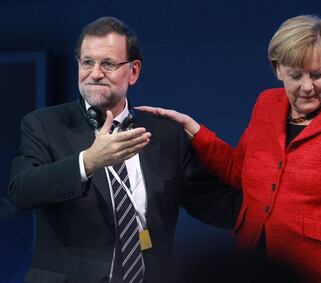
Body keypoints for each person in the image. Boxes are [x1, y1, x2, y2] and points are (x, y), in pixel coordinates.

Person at [137, 15, 321, 282]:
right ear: (277, 69)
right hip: (256, 262)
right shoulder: (266, 104)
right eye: (295, 75)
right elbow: (237, 171)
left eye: (318, 74)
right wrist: (193, 129)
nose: (307, 86)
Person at [8, 16, 242, 283]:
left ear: (134, 71)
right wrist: (88, 162)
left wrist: (278, 212)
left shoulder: (164, 134)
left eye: (108, 63)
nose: (95, 73)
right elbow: (22, 190)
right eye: (87, 62)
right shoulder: (44, 124)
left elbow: (210, 202)